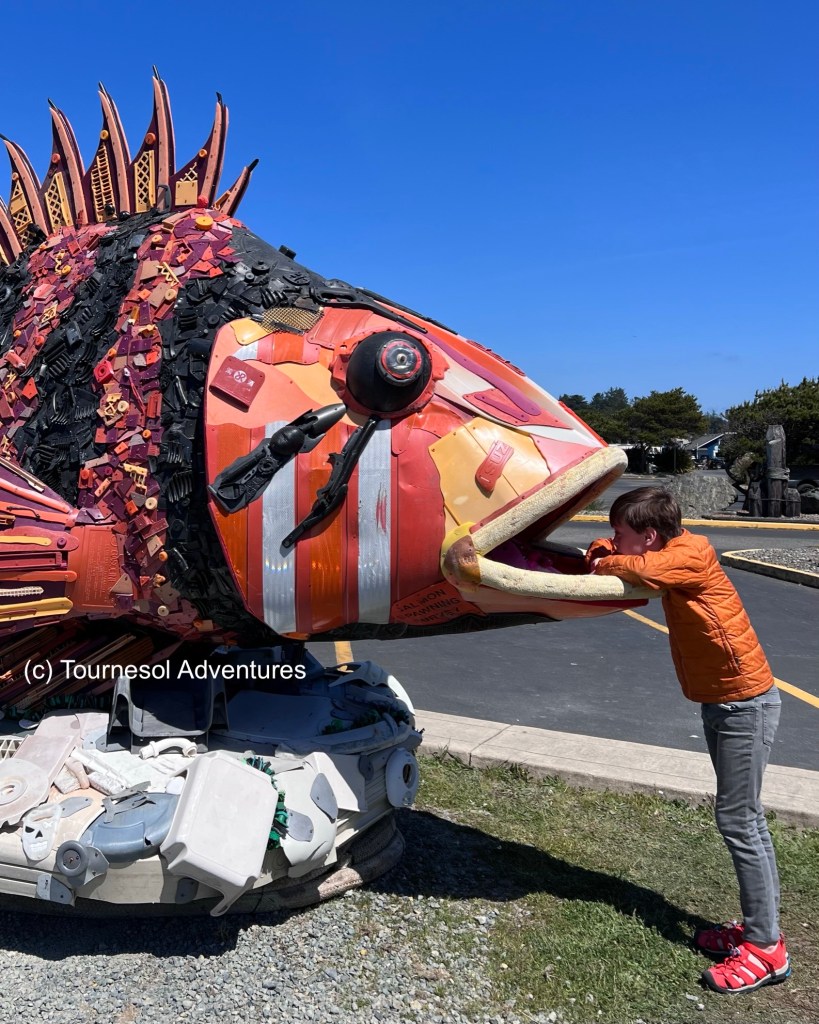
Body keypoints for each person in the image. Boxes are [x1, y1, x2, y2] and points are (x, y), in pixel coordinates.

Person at [587, 487, 789, 995]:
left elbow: (643, 573)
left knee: (740, 819)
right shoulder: (671, 550)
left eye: (622, 534)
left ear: (650, 536)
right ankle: (759, 928)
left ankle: (767, 948)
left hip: (744, 703)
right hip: (725, 700)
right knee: (743, 817)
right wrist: (605, 550)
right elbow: (622, 558)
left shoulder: (687, 557)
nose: (614, 540)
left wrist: (603, 561)